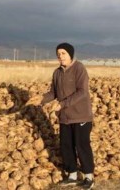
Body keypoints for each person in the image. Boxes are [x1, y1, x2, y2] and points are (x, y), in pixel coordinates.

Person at [27, 42, 95, 189]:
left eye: (63, 53)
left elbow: (82, 92)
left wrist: (62, 104)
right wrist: (42, 99)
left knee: (81, 145)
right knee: (66, 146)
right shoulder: (57, 73)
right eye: (58, 54)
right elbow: (54, 93)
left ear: (71, 54)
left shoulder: (79, 68)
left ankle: (88, 176)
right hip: (65, 117)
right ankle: (72, 175)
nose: (60, 56)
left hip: (81, 115)